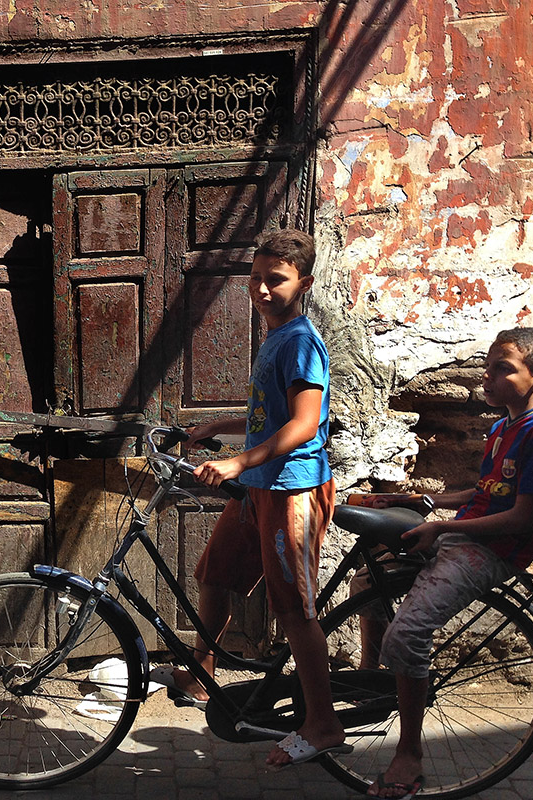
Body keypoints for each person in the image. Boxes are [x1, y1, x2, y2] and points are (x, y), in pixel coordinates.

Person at [363, 327, 533, 800]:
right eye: (489, 364)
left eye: (503, 368)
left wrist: (441, 528)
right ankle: (372, 684)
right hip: (464, 536)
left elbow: (522, 516)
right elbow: (483, 494)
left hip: (493, 550)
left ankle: (410, 753)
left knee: (408, 633)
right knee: (367, 579)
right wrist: (418, 499)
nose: (488, 375)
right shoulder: (504, 426)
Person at [169, 228, 347, 767]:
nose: (263, 289)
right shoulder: (274, 336)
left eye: (276, 280)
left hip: (292, 489)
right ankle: (203, 676)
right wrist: (218, 426)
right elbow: (267, 415)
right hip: (260, 487)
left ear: (304, 283)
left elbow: (305, 424)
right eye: (256, 279)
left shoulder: (299, 341)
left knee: (295, 612)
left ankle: (322, 724)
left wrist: (238, 461)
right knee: (215, 572)